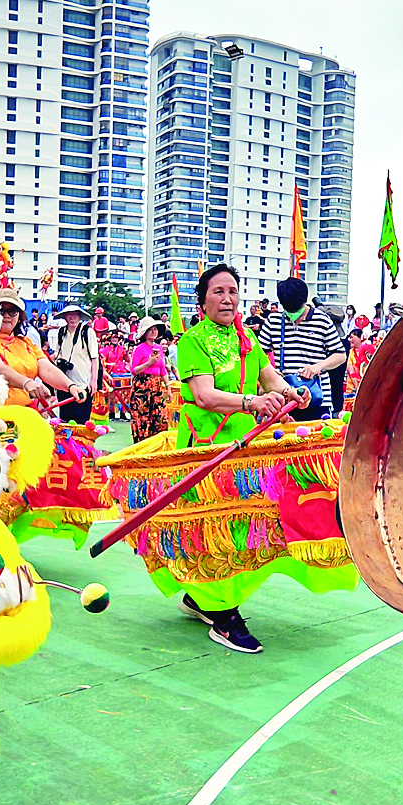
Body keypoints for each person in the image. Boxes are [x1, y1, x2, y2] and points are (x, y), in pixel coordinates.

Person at [157, 263, 321, 653]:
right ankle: (224, 615)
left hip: (247, 448)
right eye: (218, 291)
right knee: (217, 528)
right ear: (202, 302)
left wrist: (291, 392)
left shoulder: (246, 337)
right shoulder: (193, 340)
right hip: (208, 450)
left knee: (249, 526)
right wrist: (253, 402)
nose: (228, 298)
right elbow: (204, 396)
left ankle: (202, 598)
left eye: (233, 291)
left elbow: (269, 377)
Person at [257, 276, 348, 421]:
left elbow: (340, 355)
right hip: (285, 400)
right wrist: (270, 371)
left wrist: (318, 367)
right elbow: (258, 355)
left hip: (318, 399)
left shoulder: (322, 320)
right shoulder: (273, 322)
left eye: (297, 309)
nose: (295, 315)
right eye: (289, 310)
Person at [0, 295, 79, 408]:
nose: (6, 315)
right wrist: (26, 383)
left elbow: (47, 368)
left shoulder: (27, 342)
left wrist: (70, 386)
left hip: (23, 408)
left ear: (19, 317)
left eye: (12, 311)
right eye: (1, 310)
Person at [123, 316, 175, 442]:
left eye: (155, 329)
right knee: (142, 417)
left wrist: (168, 387)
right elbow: (134, 370)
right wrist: (149, 362)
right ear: (145, 333)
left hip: (157, 386)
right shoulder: (139, 349)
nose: (153, 332)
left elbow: (162, 369)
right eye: (150, 329)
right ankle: (142, 444)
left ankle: (156, 444)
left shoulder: (159, 348)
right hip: (142, 386)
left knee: (159, 417)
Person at [48, 305, 102, 425]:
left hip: (83, 382)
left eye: (75, 315)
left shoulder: (87, 332)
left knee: (82, 421)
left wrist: (94, 380)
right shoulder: (61, 332)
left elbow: (94, 358)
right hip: (64, 383)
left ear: (79, 317)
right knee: (64, 421)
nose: (72, 318)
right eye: (69, 315)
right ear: (65, 317)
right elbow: (57, 352)